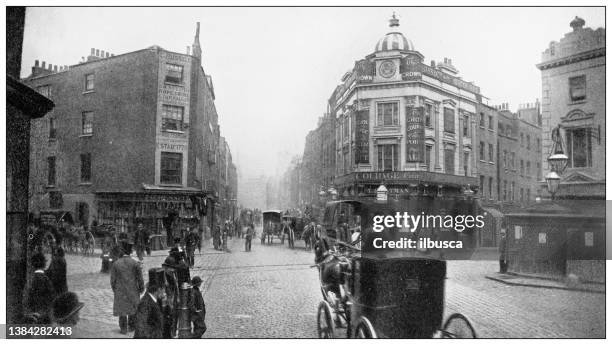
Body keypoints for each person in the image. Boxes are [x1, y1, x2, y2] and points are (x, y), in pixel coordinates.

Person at [110, 241, 144, 334]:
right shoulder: (135, 263)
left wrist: (115, 289)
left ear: (122, 251)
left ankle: (123, 328)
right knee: (133, 308)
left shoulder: (116, 264)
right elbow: (140, 278)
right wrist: (141, 288)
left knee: (122, 310)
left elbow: (112, 280)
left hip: (120, 290)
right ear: (130, 252)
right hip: (133, 290)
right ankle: (132, 327)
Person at [24, 252, 55, 324]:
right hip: (45, 315)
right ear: (44, 265)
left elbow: (26, 298)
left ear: (32, 265)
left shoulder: (30, 280)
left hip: (33, 316)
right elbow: (52, 298)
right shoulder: (47, 280)